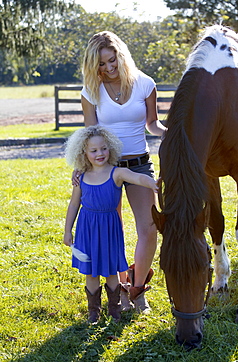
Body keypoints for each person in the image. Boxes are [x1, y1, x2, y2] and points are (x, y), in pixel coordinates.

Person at [76, 30, 166, 313]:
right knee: (112, 231)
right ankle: (121, 288)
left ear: (121, 55)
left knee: (149, 228)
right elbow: (90, 134)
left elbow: (152, 123)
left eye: (112, 60)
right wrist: (82, 169)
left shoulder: (145, 84)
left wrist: (169, 132)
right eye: (101, 64)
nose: (109, 68)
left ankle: (137, 289)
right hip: (105, 169)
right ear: (94, 66)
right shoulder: (91, 91)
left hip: (139, 164)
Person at [64, 126, 159, 323]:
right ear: (84, 153)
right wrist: (67, 231)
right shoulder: (81, 177)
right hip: (88, 229)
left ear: (111, 149)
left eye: (104, 148)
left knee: (110, 270)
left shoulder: (117, 173)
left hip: (109, 229)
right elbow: (74, 204)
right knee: (90, 272)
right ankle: (93, 312)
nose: (100, 154)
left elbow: (138, 177)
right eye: (94, 150)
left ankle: (114, 310)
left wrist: (152, 183)